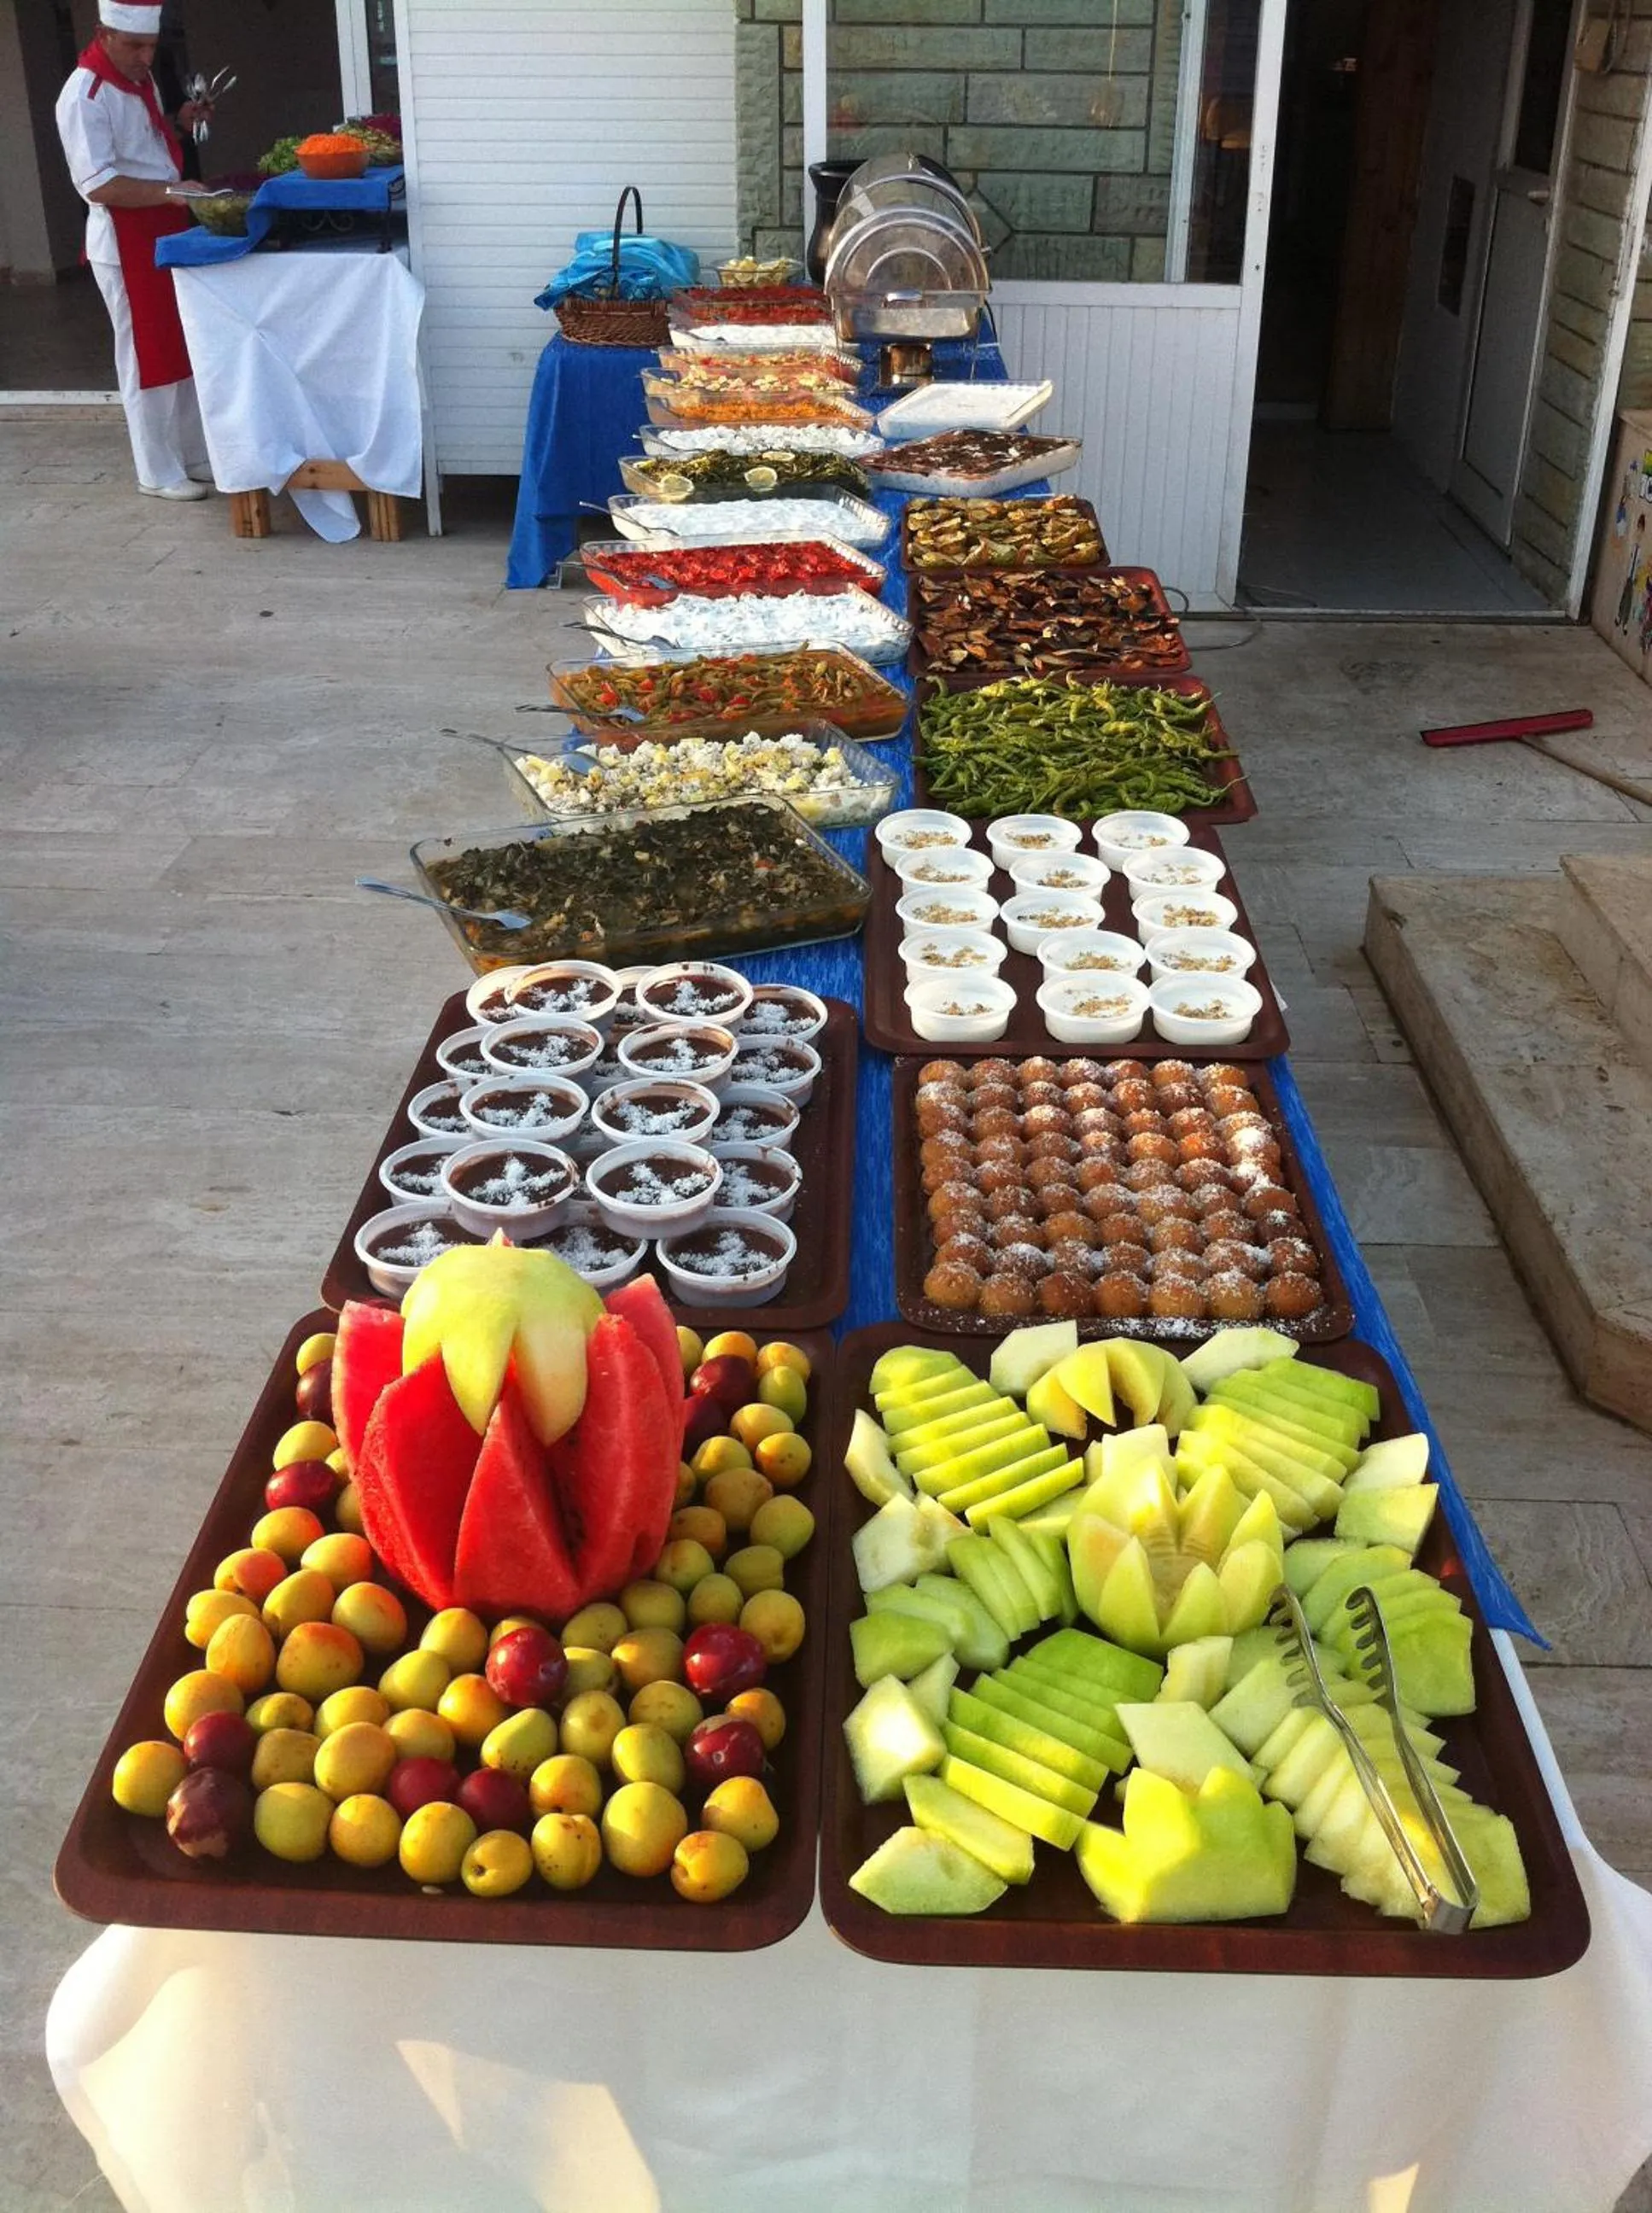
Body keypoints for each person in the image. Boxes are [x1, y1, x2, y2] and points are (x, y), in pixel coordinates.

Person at [54, 2, 216, 500]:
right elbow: (97, 183)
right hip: (124, 240)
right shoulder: (85, 93)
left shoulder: (137, 77)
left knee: (177, 343)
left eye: (151, 46)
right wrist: (173, 193)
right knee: (143, 353)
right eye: (135, 45)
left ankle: (189, 453)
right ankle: (155, 469)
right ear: (104, 34)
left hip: (163, 225)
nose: (147, 56)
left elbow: (142, 144)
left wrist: (180, 122)